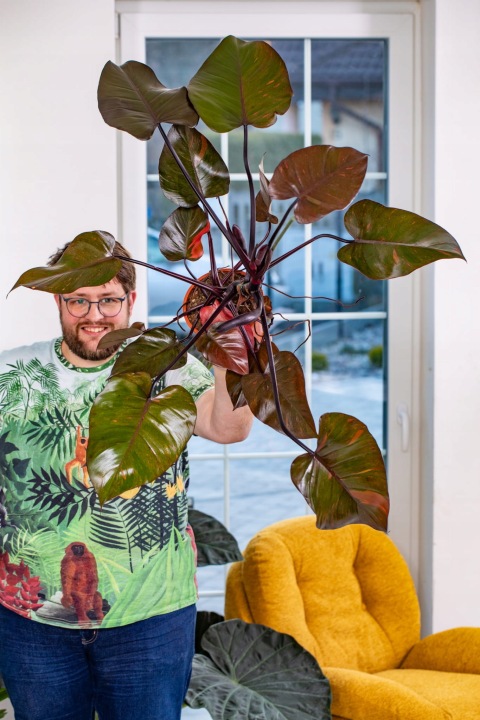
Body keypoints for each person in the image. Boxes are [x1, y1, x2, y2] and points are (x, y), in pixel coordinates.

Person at [0, 239, 253, 720]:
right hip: (34, 621)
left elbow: (229, 428)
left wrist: (230, 346)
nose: (94, 315)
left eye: (108, 300)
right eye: (78, 300)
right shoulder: (11, 373)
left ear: (131, 300)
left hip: (152, 618)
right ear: (58, 300)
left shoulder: (168, 365)